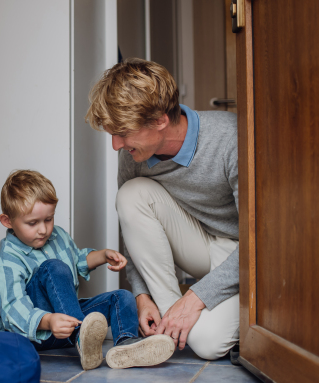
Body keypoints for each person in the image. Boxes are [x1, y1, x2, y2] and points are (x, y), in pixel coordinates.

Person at [85, 58, 240, 360]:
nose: (116, 145)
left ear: (159, 120)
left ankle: (180, 316)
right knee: (131, 195)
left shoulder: (229, 138)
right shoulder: (134, 154)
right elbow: (132, 230)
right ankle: (169, 321)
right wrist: (143, 297)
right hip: (200, 245)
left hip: (245, 254)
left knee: (208, 345)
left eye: (123, 132)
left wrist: (196, 296)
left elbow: (265, 240)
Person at [0, 170, 175, 370]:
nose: (43, 229)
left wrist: (103, 255)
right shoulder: (8, 258)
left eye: (48, 219)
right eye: (32, 223)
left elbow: (77, 260)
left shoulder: (57, 236)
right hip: (34, 334)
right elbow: (12, 310)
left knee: (122, 297)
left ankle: (126, 345)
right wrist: (49, 320)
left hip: (68, 325)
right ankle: (81, 337)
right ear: (7, 221)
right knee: (53, 267)